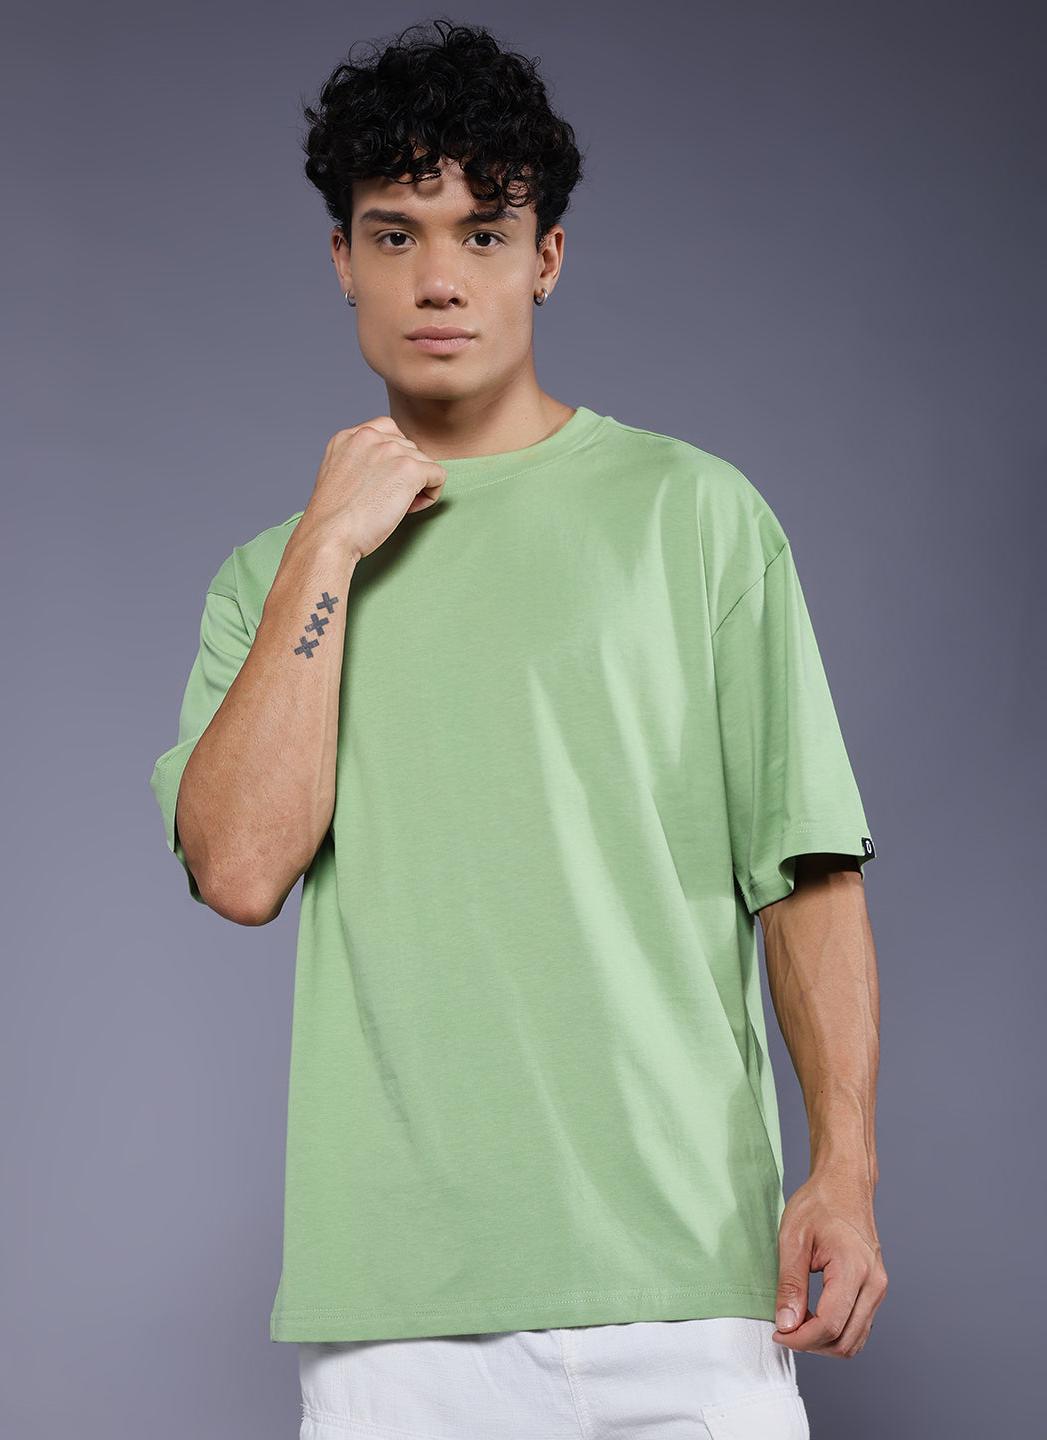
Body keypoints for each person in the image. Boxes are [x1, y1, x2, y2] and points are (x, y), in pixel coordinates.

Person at [150, 18, 887, 1438]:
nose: (439, 277)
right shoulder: (271, 578)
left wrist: (843, 1170)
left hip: (691, 1288)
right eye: (395, 234)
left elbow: (805, 872)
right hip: (401, 1327)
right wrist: (328, 547)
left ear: (546, 257)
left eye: (483, 234)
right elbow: (239, 870)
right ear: (342, 261)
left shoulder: (696, 515)